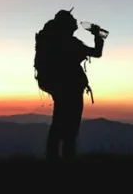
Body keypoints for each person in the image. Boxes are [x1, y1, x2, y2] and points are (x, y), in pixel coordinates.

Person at [34, 9, 105, 161]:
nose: (75, 23)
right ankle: (67, 157)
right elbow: (97, 53)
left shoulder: (51, 40)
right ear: (66, 24)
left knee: (59, 122)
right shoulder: (68, 42)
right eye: (72, 21)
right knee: (71, 126)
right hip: (70, 87)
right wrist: (98, 35)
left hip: (57, 86)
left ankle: (52, 156)